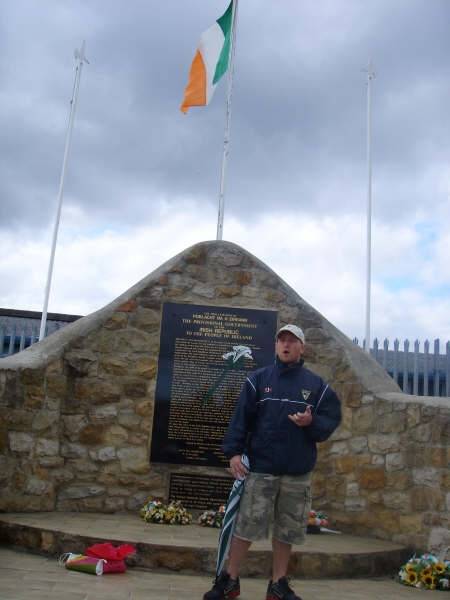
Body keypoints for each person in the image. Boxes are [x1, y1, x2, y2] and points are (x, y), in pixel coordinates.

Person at [203, 324, 342, 600]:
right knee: (246, 526)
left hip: (296, 472)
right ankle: (230, 579)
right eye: (282, 341)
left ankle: (278, 584)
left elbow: (330, 420)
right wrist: (232, 452)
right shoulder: (258, 379)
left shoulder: (316, 386)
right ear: (276, 346)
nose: (286, 345)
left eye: (292, 341)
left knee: (287, 529)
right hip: (261, 468)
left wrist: (311, 421)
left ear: (302, 347)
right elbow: (240, 418)